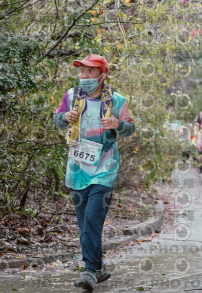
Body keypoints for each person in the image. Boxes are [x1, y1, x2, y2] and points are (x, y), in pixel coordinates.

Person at [53, 54, 135, 292]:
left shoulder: (116, 100)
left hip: (105, 168)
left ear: (102, 75)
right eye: (82, 72)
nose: (84, 76)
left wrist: (118, 124)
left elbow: (130, 127)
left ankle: (89, 271)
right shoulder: (71, 96)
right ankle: (98, 267)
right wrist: (64, 117)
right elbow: (57, 119)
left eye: (90, 72)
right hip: (78, 169)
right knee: (84, 223)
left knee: (92, 218)